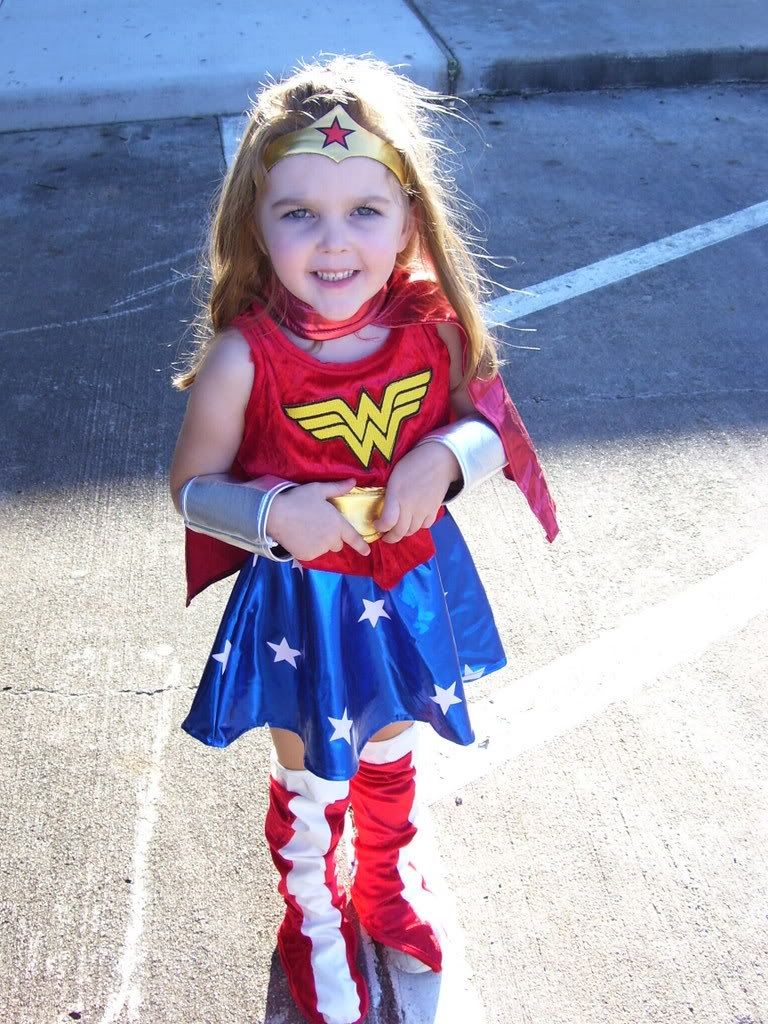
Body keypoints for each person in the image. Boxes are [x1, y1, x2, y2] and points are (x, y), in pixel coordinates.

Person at [169, 55, 558, 1024]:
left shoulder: (433, 330)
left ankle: (384, 879)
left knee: (390, 739)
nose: (333, 240)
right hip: (303, 603)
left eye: (364, 211)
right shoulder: (243, 359)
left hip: (407, 581)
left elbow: (489, 418)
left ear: (409, 222)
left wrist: (448, 457)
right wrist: (273, 513)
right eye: (299, 212)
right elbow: (191, 489)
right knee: (313, 765)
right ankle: (312, 912)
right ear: (254, 227)